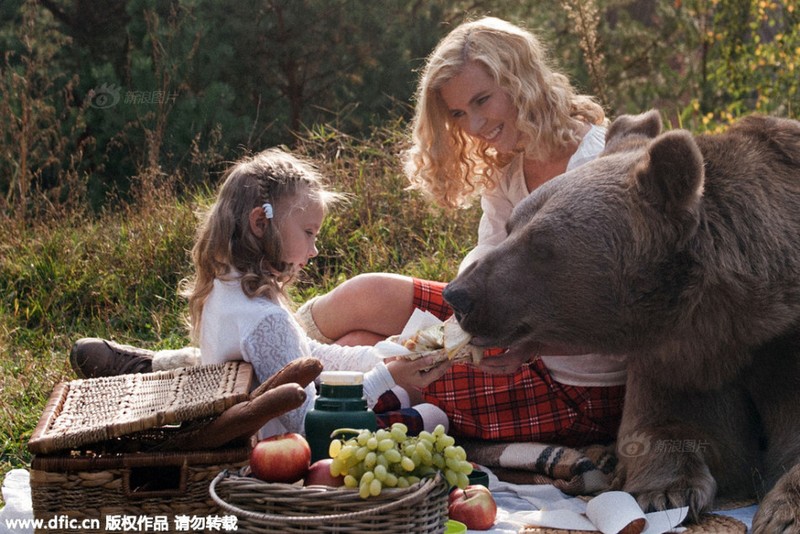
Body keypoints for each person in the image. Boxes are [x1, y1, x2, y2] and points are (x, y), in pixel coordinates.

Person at [294, 17, 627, 446]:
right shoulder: (512, 164)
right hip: (504, 332)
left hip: (572, 384)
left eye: (482, 100)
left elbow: (624, 323)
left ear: (521, 81)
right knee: (366, 295)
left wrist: (527, 344)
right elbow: (487, 256)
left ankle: (272, 403)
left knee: (366, 356)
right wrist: (450, 327)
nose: (472, 126)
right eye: (457, 113)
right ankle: (262, 351)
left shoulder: (597, 167)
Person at [70, 148, 451, 437]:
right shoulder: (263, 319)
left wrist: (388, 354)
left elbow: (311, 356)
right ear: (259, 223)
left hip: (275, 430)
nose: (314, 249)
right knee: (434, 417)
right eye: (308, 233)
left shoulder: (229, 285)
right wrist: (388, 376)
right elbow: (309, 423)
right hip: (285, 447)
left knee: (403, 398)